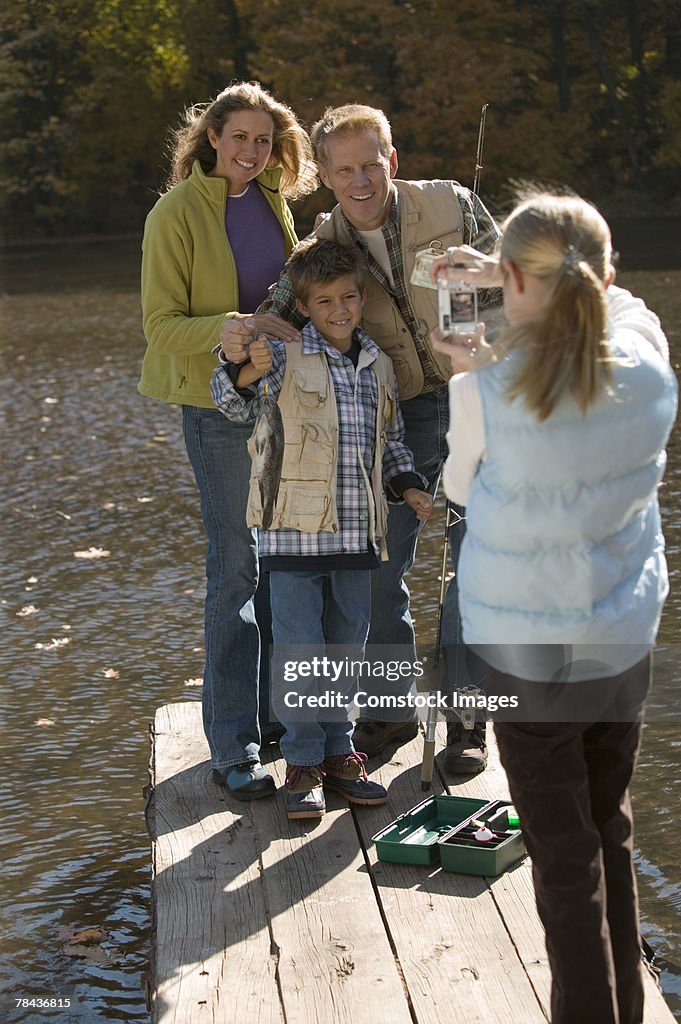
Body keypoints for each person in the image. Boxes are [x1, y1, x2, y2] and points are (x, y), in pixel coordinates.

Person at [431, 192, 677, 1024]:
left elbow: (457, 488)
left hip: (526, 653)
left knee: (561, 858)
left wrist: (469, 364)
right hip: (620, 641)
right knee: (608, 825)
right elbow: (622, 304)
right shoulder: (649, 365)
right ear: (602, 274)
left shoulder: (488, 389)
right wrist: (515, 287)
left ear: (512, 281)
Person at [219, 103, 501, 767]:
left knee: (479, 573)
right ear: (321, 175)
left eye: (370, 164)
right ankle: (389, 712)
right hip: (395, 421)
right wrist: (239, 346)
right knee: (377, 577)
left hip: (480, 400)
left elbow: (523, 288)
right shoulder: (321, 253)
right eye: (342, 169)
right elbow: (267, 327)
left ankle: (465, 725)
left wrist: (489, 278)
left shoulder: (453, 206)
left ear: (391, 162)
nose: (360, 181)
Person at [211, 237, 433, 819]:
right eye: (326, 300)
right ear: (305, 306)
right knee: (300, 650)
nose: (340, 309)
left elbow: (393, 441)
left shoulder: (378, 363)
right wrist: (243, 371)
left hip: (359, 537)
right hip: (292, 536)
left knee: (346, 648)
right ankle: (303, 762)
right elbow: (230, 404)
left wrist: (408, 484)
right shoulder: (282, 354)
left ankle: (340, 753)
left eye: (349, 297)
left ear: (362, 299)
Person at [138, 81, 317, 799]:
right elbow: (160, 327)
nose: (250, 150)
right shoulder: (174, 213)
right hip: (214, 409)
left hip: (278, 400)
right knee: (235, 569)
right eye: (238, 137)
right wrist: (231, 326)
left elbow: (283, 298)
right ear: (212, 136)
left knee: (281, 564)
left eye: (263, 141)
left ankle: (279, 723)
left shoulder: (275, 203)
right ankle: (233, 747)